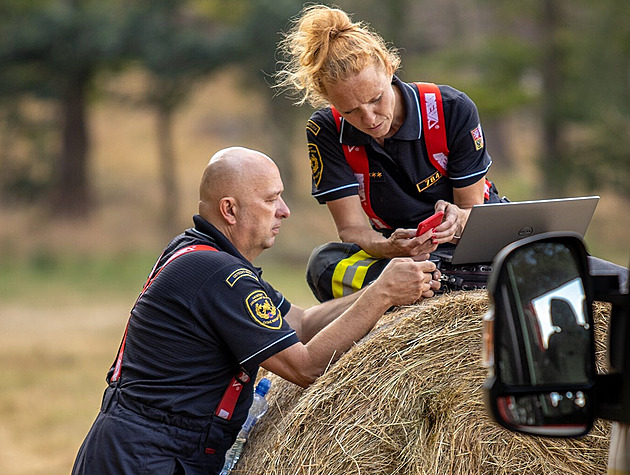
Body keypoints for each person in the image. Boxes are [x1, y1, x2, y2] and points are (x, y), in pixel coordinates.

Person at [71, 147, 440, 475]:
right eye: (271, 199)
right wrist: (382, 296)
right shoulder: (218, 274)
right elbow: (305, 366)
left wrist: (380, 290)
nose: (285, 210)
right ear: (230, 210)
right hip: (147, 457)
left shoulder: (207, 256)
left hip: (147, 449)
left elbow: (302, 322)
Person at [274, 4, 505, 302]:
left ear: (388, 67)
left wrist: (455, 220)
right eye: (351, 111)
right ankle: (434, 281)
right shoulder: (325, 131)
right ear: (328, 99)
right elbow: (352, 229)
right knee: (324, 265)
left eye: (375, 99)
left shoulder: (451, 108)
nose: (369, 118)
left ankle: (434, 281)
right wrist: (390, 248)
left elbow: (471, 209)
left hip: (468, 242)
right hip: (396, 258)